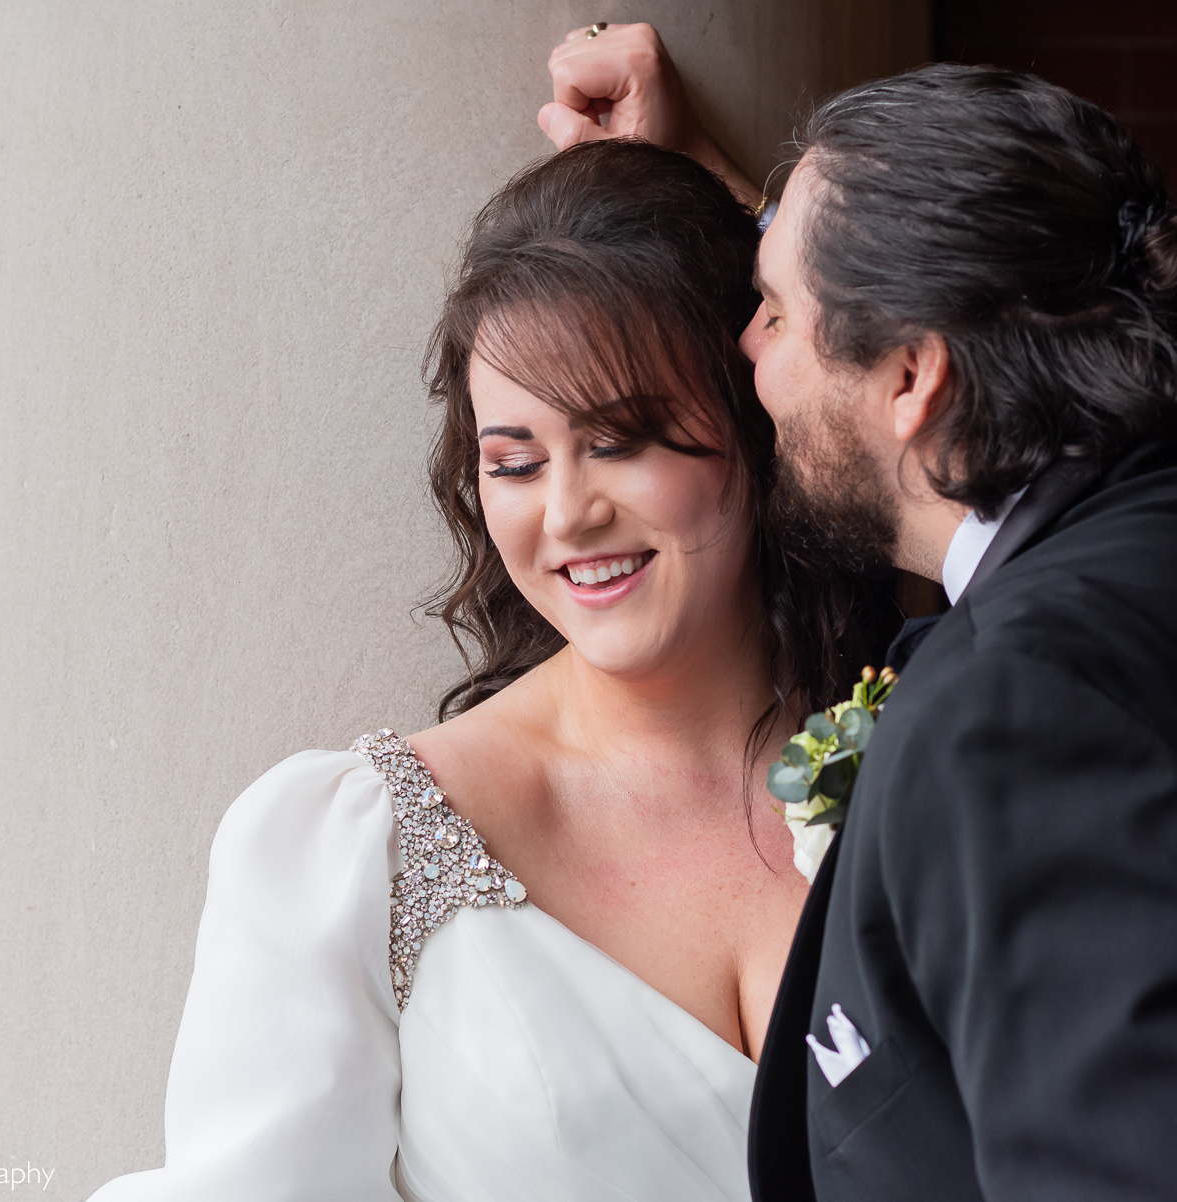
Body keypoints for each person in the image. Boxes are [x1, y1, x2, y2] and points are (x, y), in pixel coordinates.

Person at [546, 25, 1177, 1202]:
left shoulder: (1029, 716)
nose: (743, 347)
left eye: (773, 312)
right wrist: (767, 215)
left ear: (913, 377)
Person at [86, 139, 902, 1202]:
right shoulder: (355, 848)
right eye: (514, 460)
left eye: (621, 439)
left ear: (756, 420)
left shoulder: (918, 763)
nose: (567, 513)